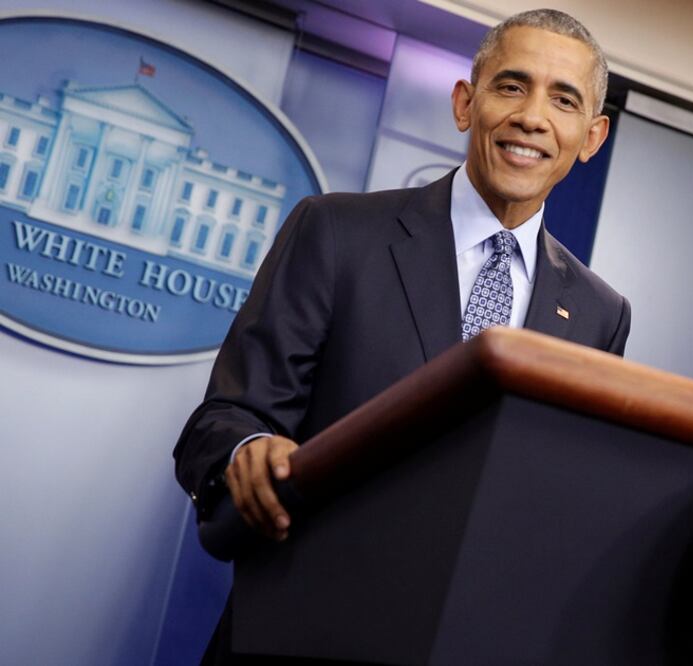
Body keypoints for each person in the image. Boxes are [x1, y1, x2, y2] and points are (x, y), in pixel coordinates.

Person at [174, 9, 630, 660]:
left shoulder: (599, 313)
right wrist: (246, 452)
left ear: (591, 136)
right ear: (465, 103)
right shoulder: (336, 232)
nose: (532, 117)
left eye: (563, 100)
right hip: (299, 633)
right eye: (511, 86)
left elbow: (562, 500)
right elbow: (225, 418)